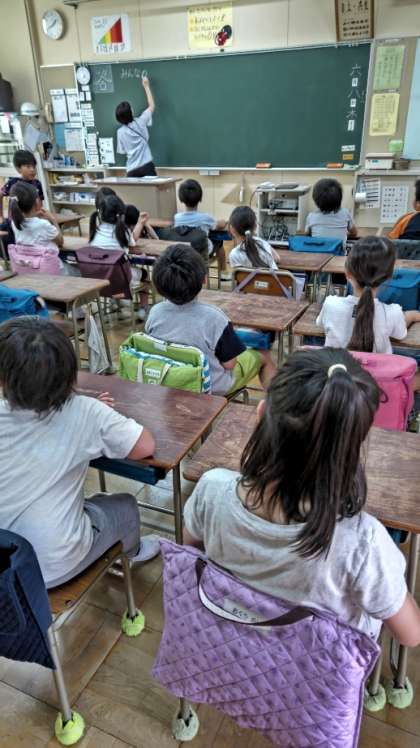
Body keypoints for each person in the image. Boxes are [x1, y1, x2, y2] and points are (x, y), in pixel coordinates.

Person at [183, 347, 420, 645]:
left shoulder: (211, 489)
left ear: (261, 413)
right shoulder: (364, 543)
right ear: (351, 442)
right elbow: (411, 635)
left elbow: (190, 552)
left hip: (227, 649)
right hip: (310, 670)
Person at [0, 317, 160, 588]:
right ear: (70, 372)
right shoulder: (86, 411)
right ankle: (132, 554)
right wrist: (95, 411)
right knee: (124, 505)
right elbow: (145, 447)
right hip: (50, 568)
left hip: (5, 561)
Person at [146, 244, 276, 395]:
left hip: (167, 379)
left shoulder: (155, 313)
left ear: (158, 283)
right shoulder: (215, 318)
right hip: (210, 386)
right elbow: (230, 364)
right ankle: (275, 405)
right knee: (264, 355)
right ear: (204, 279)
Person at [316, 237, 420, 358]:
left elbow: (320, 323)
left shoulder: (331, 305)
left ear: (347, 273)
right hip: (377, 371)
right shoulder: (392, 313)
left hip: (335, 369)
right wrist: (411, 316)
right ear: (389, 277)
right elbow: (400, 333)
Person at [89, 193, 150, 318]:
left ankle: (114, 302)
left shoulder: (95, 230)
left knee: (113, 269)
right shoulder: (123, 232)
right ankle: (143, 308)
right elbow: (133, 241)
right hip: (120, 281)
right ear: (121, 214)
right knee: (145, 275)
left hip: (98, 280)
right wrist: (140, 223)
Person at [116, 75, 156, 177]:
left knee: (134, 189)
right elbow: (151, 106)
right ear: (131, 113)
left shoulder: (120, 132)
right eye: (131, 108)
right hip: (146, 166)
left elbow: (122, 151)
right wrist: (146, 86)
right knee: (153, 188)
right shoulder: (140, 122)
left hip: (131, 170)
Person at [10, 181, 63, 250]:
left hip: (25, 256)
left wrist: (35, 215)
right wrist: (53, 219)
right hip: (46, 257)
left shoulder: (14, 222)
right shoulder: (43, 224)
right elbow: (60, 242)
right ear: (37, 202)